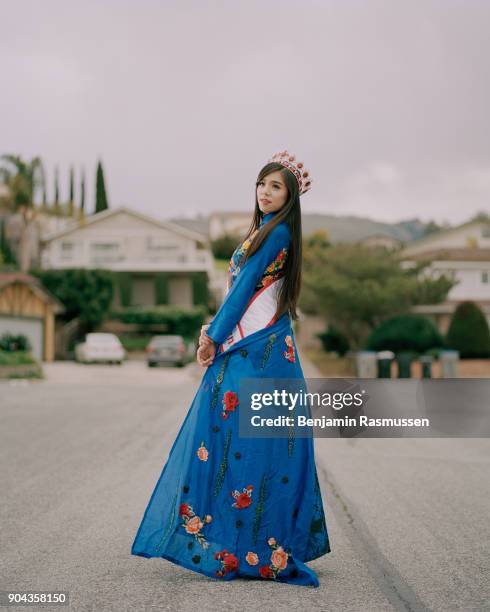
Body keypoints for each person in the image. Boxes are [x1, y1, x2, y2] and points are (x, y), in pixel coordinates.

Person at [131, 150, 331, 587]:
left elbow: (242, 295)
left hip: (256, 352)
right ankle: (240, 541)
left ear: (291, 197)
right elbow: (240, 292)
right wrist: (215, 331)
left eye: (276, 186)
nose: (265, 191)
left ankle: (252, 545)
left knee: (245, 441)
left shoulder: (277, 236)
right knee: (242, 441)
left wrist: (212, 337)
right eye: (262, 184)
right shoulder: (262, 232)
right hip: (256, 347)